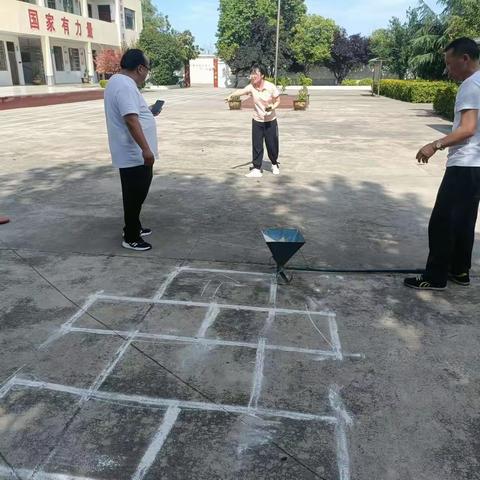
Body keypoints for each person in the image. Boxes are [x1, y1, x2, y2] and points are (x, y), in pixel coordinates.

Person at [404, 37, 480, 290]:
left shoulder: (470, 85)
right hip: (476, 167)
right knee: (464, 221)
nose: (448, 70)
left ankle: (434, 277)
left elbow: (467, 129)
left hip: (465, 163)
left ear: (465, 59)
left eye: (450, 64)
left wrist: (434, 145)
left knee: (442, 222)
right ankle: (459, 271)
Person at [104, 49, 160, 252]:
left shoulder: (118, 82)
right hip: (134, 153)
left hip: (131, 152)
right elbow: (130, 119)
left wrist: (149, 112)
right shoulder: (125, 86)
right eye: (147, 69)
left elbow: (133, 113)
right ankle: (131, 236)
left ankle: (134, 226)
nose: (147, 74)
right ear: (140, 68)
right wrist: (146, 149)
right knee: (135, 194)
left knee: (134, 193)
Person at [227, 64, 281, 177]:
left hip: (270, 120)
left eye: (255, 74)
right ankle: (256, 168)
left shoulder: (270, 87)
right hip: (257, 120)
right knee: (257, 145)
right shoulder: (251, 87)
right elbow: (241, 91)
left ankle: (274, 164)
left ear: (262, 75)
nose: (252, 76)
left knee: (272, 145)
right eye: (251, 74)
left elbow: (277, 100)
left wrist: (272, 107)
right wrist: (231, 95)